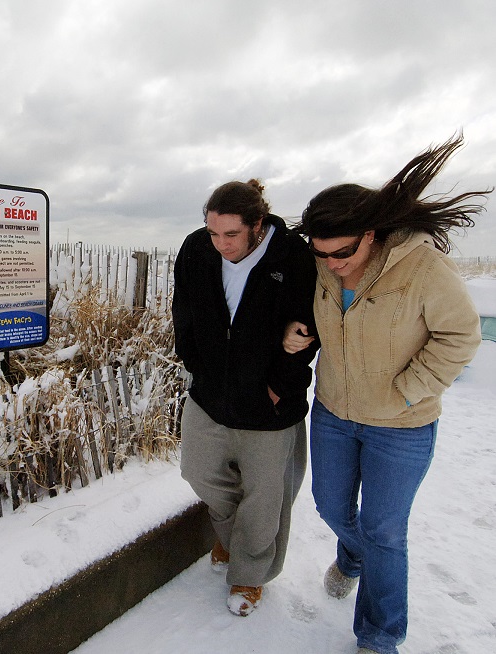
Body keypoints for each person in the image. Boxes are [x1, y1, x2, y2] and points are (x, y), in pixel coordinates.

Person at [284, 135, 487, 654]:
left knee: (384, 531)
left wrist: (407, 392)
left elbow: (461, 336)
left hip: (402, 425)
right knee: (330, 507)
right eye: (320, 254)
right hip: (333, 412)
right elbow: (318, 315)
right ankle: (352, 558)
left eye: (341, 252)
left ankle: (378, 635)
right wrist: (299, 330)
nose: (331, 263)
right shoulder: (325, 266)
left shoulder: (422, 269)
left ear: (370, 235)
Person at [172, 179, 319, 617]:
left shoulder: (292, 256)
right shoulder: (196, 250)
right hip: (209, 396)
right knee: (198, 472)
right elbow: (183, 309)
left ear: (257, 224)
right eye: (213, 232)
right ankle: (232, 536)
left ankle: (249, 576)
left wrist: (280, 385)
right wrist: (194, 359)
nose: (220, 244)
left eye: (230, 234)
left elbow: (312, 324)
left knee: (265, 495)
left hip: (271, 406)